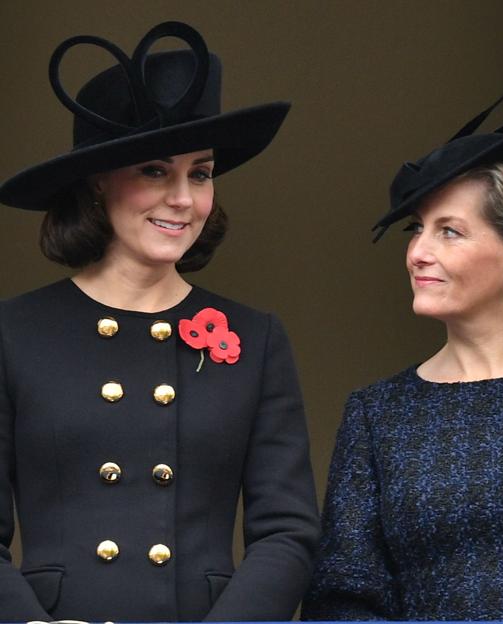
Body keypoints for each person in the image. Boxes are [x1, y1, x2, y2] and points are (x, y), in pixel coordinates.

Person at [0, 21, 319, 622]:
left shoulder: (256, 337)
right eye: (155, 170)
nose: (183, 198)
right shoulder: (13, 333)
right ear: (97, 184)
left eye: (200, 173)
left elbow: (287, 532)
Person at [302, 77, 503, 620]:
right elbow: (344, 597)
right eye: (417, 229)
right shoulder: (378, 414)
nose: (419, 252)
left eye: (449, 231)